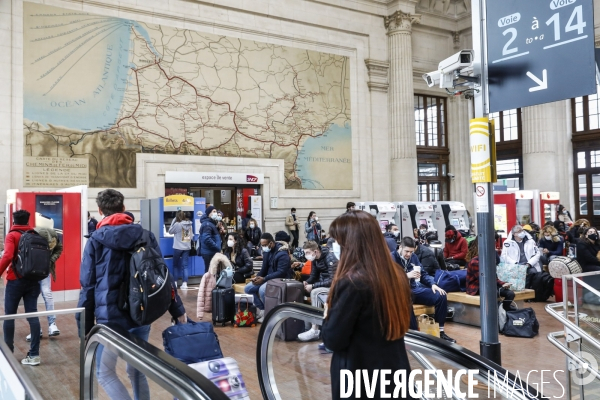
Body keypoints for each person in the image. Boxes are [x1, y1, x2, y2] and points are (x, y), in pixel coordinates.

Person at [77, 189, 187, 400]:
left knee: (105, 372)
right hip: (142, 312)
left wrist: (85, 328)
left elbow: (88, 287)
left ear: (100, 211)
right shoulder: (145, 235)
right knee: (136, 370)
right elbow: (163, 276)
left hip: (111, 319)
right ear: (124, 208)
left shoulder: (95, 241)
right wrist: (177, 309)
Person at [321, 211, 414, 400]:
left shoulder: (352, 282)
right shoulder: (397, 274)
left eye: (339, 241)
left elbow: (333, 340)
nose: (336, 246)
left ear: (351, 243)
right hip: (396, 372)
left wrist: (327, 315)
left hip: (359, 377)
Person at [391, 236, 455, 342]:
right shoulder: (391, 258)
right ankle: (415, 335)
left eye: (411, 252)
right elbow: (388, 278)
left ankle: (440, 332)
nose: (409, 254)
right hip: (398, 292)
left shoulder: (413, 257)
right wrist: (406, 275)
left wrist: (433, 284)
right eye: (407, 251)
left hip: (413, 289)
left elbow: (423, 274)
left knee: (441, 295)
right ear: (400, 247)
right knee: (407, 299)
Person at [0, 210, 42, 365]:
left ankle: (9, 353)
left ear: (13, 220)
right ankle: (34, 355)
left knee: (9, 316)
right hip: (33, 280)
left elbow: (8, 256)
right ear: (27, 220)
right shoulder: (35, 234)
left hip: (15, 280)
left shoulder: (12, 235)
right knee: (33, 315)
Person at [26, 223, 63, 341]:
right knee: (32, 297)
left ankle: (52, 324)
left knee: (47, 293)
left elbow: (59, 248)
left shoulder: (53, 236)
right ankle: (35, 328)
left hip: (45, 269)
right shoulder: (29, 237)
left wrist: (50, 260)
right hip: (31, 271)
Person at [244, 233, 292, 323]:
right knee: (248, 288)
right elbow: (264, 268)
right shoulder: (266, 252)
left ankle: (269, 313)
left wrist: (264, 279)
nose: (263, 247)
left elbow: (281, 272)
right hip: (268, 278)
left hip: (280, 279)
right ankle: (262, 309)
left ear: (271, 243)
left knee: (262, 290)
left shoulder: (282, 253)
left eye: (265, 245)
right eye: (262, 245)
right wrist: (257, 277)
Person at [297, 240, 338, 342]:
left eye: (307, 253)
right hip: (323, 284)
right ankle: (306, 326)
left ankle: (315, 329)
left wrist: (314, 285)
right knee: (300, 289)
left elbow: (333, 280)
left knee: (315, 292)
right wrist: (306, 282)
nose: (306, 255)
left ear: (315, 252)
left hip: (334, 287)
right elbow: (313, 276)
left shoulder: (330, 257)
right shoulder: (315, 260)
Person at [466, 238, 515, 311]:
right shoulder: (475, 262)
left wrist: (503, 284)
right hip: (476, 287)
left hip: (489, 284)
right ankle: (493, 312)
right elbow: (483, 279)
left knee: (510, 293)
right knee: (493, 292)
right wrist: (500, 284)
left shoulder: (489, 261)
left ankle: (505, 309)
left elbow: (493, 277)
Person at [169, 211, 193, 289]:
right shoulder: (189, 224)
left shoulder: (177, 224)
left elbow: (170, 231)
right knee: (185, 266)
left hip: (178, 247)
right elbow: (191, 236)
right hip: (186, 248)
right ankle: (185, 284)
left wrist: (173, 221)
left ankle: (175, 282)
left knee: (175, 265)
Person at [199, 206, 222, 272]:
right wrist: (216, 246)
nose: (216, 213)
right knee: (209, 271)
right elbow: (207, 238)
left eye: (216, 211)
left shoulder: (210, 223)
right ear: (209, 213)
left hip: (209, 251)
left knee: (210, 270)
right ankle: (207, 282)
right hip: (209, 252)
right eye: (214, 211)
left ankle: (209, 282)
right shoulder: (207, 224)